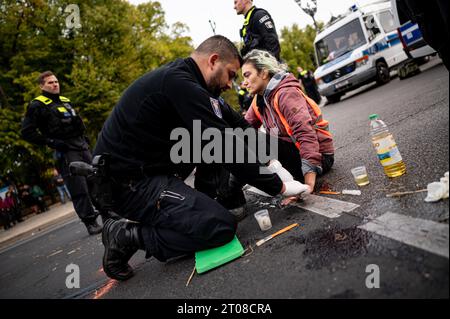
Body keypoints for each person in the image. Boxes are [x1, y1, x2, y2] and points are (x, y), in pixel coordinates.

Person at [93, 35, 308, 281]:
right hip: (128, 184)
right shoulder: (179, 83)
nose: (231, 84)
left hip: (148, 172)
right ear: (213, 61)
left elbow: (237, 128)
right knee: (221, 227)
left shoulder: (192, 85)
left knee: (206, 141)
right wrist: (278, 186)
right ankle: (126, 235)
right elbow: (225, 146)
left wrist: (274, 161)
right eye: (230, 74)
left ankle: (205, 203)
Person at [21, 71, 102, 235]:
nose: (55, 84)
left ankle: (107, 213)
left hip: (82, 146)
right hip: (65, 151)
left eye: (56, 81)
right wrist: (51, 142)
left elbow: (76, 123)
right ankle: (90, 222)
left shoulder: (65, 101)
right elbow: (27, 132)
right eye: (50, 82)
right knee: (79, 187)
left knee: (96, 180)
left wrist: (85, 140)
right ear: (41, 86)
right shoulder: (37, 105)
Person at [243, 50, 335, 193]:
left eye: (247, 75)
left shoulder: (285, 93)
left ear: (263, 73)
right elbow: (242, 128)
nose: (244, 83)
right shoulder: (258, 100)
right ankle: (229, 194)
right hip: (291, 153)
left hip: (319, 158)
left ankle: (232, 197)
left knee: (257, 140)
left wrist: (308, 185)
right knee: (241, 136)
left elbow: (306, 134)